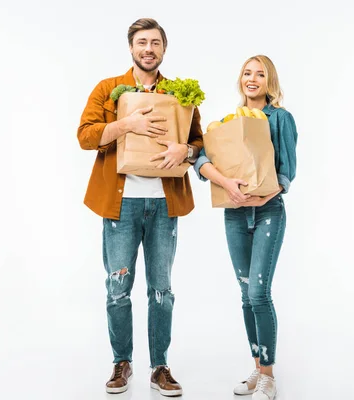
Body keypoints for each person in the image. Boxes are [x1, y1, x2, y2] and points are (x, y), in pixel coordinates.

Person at [77, 18, 203, 396]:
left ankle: (160, 367)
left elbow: (199, 142)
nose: (149, 48)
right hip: (120, 206)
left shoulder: (181, 95)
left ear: (164, 49)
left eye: (156, 43)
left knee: (161, 289)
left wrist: (188, 150)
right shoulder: (107, 89)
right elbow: (85, 136)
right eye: (142, 42)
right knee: (118, 288)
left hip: (164, 205)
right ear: (131, 47)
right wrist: (125, 124)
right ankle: (122, 362)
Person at [194, 55, 298, 400]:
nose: (252, 79)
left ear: (270, 82)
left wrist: (262, 195)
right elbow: (203, 158)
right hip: (235, 213)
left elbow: (287, 172)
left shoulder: (279, 118)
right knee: (244, 295)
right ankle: (256, 368)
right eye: (247, 73)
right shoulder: (230, 122)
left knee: (258, 293)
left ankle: (268, 376)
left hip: (268, 212)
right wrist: (227, 184)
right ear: (241, 79)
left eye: (260, 74)